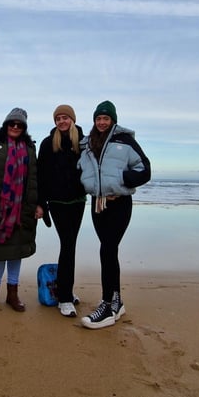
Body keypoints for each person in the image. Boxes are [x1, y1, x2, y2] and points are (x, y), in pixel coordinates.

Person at [78, 100, 151, 329]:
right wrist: (85, 183)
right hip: (97, 204)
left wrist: (121, 181)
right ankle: (117, 301)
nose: (101, 122)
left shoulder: (125, 141)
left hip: (119, 204)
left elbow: (144, 169)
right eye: (98, 118)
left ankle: (107, 306)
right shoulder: (88, 143)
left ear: (113, 120)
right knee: (109, 250)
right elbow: (82, 168)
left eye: (105, 118)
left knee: (107, 249)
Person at [0, 107, 42, 312]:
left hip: (23, 208)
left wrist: (40, 204)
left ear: (24, 128)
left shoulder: (30, 147)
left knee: (17, 251)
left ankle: (13, 295)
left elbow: (35, 179)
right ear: (6, 125)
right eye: (12, 123)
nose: (15, 127)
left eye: (20, 125)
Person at [38, 105, 87, 317]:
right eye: (58, 118)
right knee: (67, 244)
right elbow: (40, 176)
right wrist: (41, 204)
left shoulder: (84, 142)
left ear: (72, 119)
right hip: (57, 203)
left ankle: (66, 289)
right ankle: (65, 298)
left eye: (65, 117)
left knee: (70, 245)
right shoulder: (48, 143)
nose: (61, 121)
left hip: (78, 201)